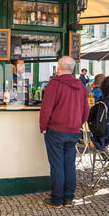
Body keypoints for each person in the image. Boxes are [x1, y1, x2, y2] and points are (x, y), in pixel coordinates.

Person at [39, 56, 89, 208]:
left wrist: (43, 126)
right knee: (69, 164)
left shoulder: (55, 84)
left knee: (57, 165)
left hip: (56, 129)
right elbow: (86, 111)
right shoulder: (80, 85)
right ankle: (68, 198)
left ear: (59, 67)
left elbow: (46, 108)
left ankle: (56, 200)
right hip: (73, 130)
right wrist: (77, 124)